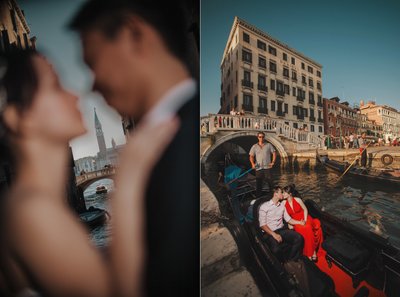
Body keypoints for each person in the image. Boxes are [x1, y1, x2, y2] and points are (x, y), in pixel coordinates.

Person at [0, 50, 179, 297]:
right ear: (18, 117)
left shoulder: (28, 205)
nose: (74, 96)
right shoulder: (33, 211)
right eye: (55, 86)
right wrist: (128, 188)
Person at [69, 1, 198, 295]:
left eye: (95, 63)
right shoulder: (163, 141)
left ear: (134, 35)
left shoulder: (177, 145)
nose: (93, 86)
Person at [258, 186, 304, 261]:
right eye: (281, 192)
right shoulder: (264, 207)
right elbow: (262, 225)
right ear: (275, 194)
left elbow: (288, 219)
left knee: (299, 238)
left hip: (281, 230)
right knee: (276, 249)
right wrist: (274, 234)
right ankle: (281, 263)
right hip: (269, 233)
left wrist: (299, 222)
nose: (283, 194)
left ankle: (291, 260)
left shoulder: (282, 205)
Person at [282, 185, 323, 261]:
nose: (283, 194)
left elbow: (305, 209)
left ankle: (312, 251)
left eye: (284, 193)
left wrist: (304, 219)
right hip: (295, 220)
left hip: (304, 217)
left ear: (290, 194)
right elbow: (285, 215)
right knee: (301, 228)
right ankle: (310, 252)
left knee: (307, 226)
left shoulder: (297, 200)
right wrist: (289, 223)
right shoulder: (283, 203)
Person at [249, 131, 276, 197]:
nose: (261, 138)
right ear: (258, 137)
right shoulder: (254, 146)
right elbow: (251, 156)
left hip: (267, 167)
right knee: (259, 183)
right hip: (258, 167)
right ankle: (259, 196)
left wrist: (273, 162)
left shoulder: (269, 145)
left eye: (263, 137)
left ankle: (272, 195)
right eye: (260, 137)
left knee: (270, 182)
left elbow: (274, 153)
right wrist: (252, 164)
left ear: (264, 137)